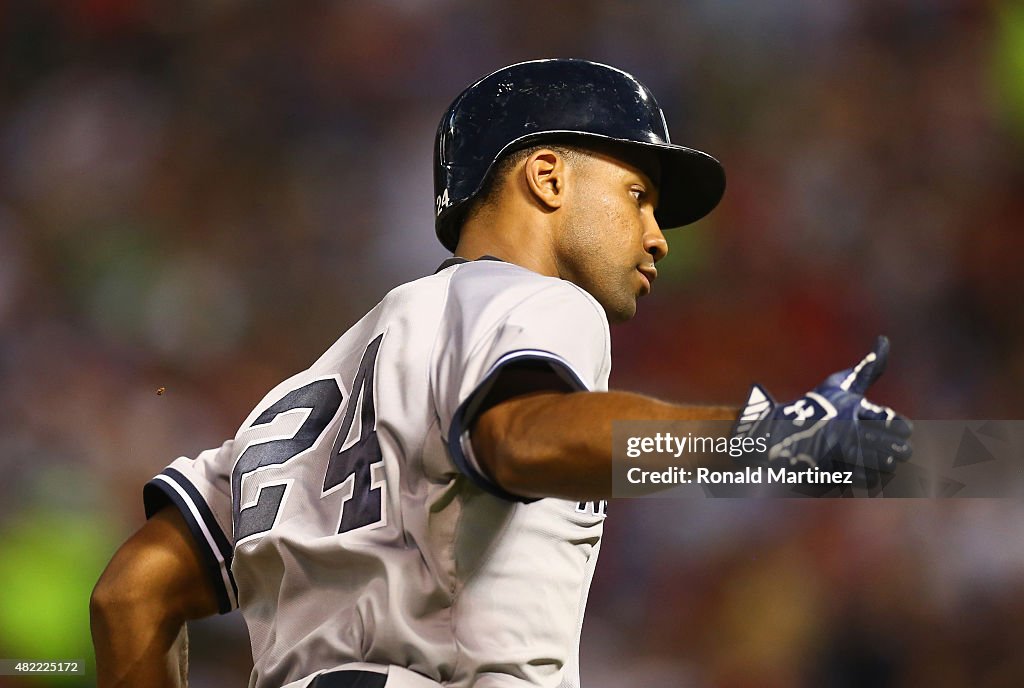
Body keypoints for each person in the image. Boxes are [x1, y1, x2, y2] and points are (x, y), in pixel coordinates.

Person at [90, 59, 912, 688]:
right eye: (637, 195)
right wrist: (761, 441)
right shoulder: (539, 303)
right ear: (548, 176)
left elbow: (130, 594)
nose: (658, 235)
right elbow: (518, 438)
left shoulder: (310, 392)